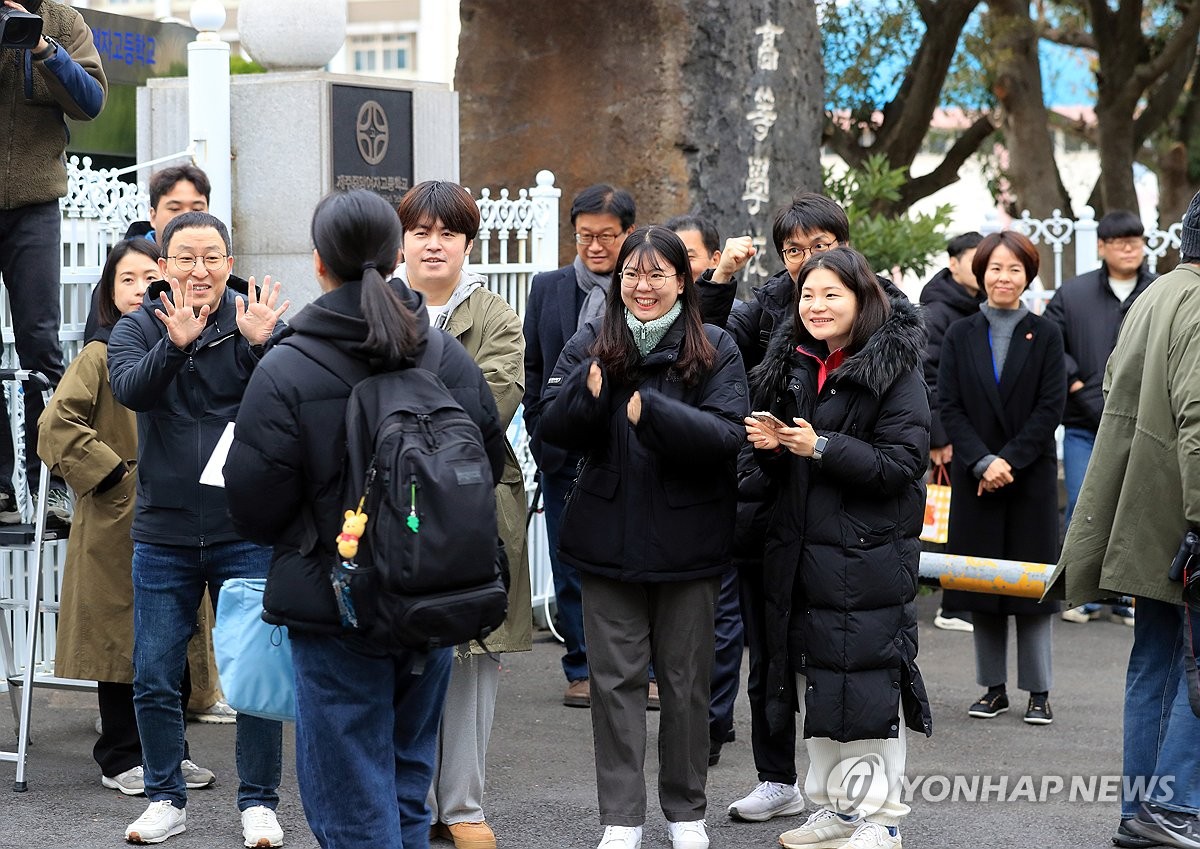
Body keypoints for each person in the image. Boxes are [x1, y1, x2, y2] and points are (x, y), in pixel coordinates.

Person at [223, 189, 505, 849]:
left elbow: (253, 504)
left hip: (334, 600)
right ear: (395, 253)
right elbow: (485, 461)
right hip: (433, 593)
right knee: (408, 776)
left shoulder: (289, 365)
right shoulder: (441, 355)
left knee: (350, 794)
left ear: (319, 263)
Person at [539, 226, 747, 849]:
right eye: (632, 274)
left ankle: (686, 812)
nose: (643, 286)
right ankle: (621, 819)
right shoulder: (592, 342)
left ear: (683, 280)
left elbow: (725, 436)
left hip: (690, 543)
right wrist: (586, 394)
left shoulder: (716, 347)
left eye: (658, 274)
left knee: (686, 683)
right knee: (615, 683)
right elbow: (552, 428)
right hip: (608, 540)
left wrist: (653, 413)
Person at [701, 192, 893, 824]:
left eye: (820, 249)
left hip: (847, 522)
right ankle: (775, 777)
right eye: (793, 253)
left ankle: (856, 807)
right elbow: (704, 344)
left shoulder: (887, 319)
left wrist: (823, 447)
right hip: (771, 507)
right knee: (771, 657)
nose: (807, 268)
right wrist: (722, 277)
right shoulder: (771, 309)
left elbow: (901, 446)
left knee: (844, 658)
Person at [107, 211, 290, 846]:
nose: (199, 270)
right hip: (164, 531)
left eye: (211, 257)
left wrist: (264, 346)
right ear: (164, 265)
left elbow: (292, 398)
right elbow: (130, 389)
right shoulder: (136, 326)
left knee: (255, 674)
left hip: (247, 527)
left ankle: (259, 802)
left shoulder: (253, 318)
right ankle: (165, 797)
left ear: (229, 262)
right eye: (185, 258)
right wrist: (174, 343)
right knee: (156, 671)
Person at [744, 246, 931, 849]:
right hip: (805, 555)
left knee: (868, 690)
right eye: (807, 295)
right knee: (818, 686)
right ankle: (834, 809)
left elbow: (903, 465)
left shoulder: (894, 370)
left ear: (861, 299)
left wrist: (821, 447)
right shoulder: (798, 364)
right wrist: (773, 450)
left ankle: (882, 820)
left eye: (831, 294)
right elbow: (784, 471)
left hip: (868, 560)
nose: (816, 306)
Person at [36, 239, 214, 795]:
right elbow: (55, 426)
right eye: (126, 280)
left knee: (175, 635)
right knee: (122, 640)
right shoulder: (101, 353)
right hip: (120, 519)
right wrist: (115, 475)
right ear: (110, 295)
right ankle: (118, 756)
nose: (140, 289)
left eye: (148, 277)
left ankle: (170, 750)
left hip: (182, 513)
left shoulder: (193, 345)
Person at [1053, 189, 1200, 849]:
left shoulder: (1156, 294)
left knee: (1153, 664)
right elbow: (1198, 421)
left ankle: (1142, 809)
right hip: (1186, 517)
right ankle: (1174, 809)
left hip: (1147, 514)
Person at [397, 180, 531, 849]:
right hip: (395, 507)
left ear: (467, 243)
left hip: (476, 506)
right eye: (421, 231)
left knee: (471, 660)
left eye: (447, 232)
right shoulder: (374, 307)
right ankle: (407, 799)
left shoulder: (497, 316)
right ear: (402, 240)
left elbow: (491, 409)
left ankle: (463, 804)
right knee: (404, 654)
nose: (433, 243)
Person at [937, 230, 1066, 726]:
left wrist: (1007, 460)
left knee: (1032, 589)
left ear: (1027, 275)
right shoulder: (960, 333)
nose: (1003, 277)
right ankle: (992, 688)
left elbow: (1050, 407)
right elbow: (949, 403)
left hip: (1028, 480)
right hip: (976, 479)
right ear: (980, 272)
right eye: (994, 267)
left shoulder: (1047, 332)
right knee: (983, 586)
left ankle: (1038, 691)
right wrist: (981, 462)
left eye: (1014, 269)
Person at [522, 183, 637, 709]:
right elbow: (533, 368)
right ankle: (581, 666)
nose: (595, 246)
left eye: (607, 236)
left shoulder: (646, 287)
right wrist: (541, 429)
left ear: (628, 234)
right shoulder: (547, 288)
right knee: (569, 561)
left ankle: (643, 667)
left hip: (630, 451)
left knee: (632, 556)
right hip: (563, 451)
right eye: (586, 236)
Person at [0, 0, 107, 526]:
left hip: (35, 203)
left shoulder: (63, 20)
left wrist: (43, 47)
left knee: (41, 341)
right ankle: (2, 485)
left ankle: (52, 482)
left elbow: (91, 101)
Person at [1045, 210, 1155, 627]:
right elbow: (1054, 344)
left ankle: (1130, 598)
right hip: (1082, 426)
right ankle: (1083, 597)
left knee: (1137, 510)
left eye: (1136, 240)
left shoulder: (1158, 291)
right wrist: (1076, 386)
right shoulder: (1072, 293)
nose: (1130, 247)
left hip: (1143, 425)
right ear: (1102, 247)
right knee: (1082, 504)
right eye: (1120, 241)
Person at [666, 213, 746, 767]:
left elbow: (708, 331)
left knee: (722, 618)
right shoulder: (631, 321)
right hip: (666, 498)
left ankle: (711, 723)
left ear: (712, 259)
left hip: (730, 486)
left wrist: (718, 285)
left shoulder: (735, 316)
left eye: (691, 258)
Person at [919, 232, 983, 633]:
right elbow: (927, 377)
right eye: (975, 260)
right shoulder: (938, 310)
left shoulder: (978, 305)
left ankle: (965, 597)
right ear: (954, 263)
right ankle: (952, 604)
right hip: (950, 434)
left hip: (974, 431)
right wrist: (939, 438)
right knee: (954, 519)